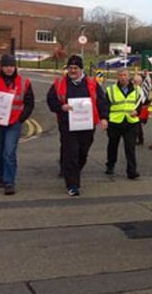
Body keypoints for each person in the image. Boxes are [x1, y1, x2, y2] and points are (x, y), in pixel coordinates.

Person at [46, 55, 109, 197]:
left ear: (81, 69)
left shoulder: (92, 83)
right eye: (70, 68)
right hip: (67, 124)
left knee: (82, 153)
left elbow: (101, 101)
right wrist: (61, 107)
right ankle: (72, 185)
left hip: (87, 124)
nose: (72, 70)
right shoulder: (59, 83)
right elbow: (51, 100)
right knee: (71, 153)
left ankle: (72, 171)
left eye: (75, 68)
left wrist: (104, 118)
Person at [0, 54, 34, 195]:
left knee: (9, 152)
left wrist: (21, 119)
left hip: (14, 123)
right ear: (1, 67)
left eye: (11, 66)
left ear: (15, 67)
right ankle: (1, 176)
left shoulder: (24, 83)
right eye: (6, 66)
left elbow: (29, 103)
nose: (9, 69)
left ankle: (9, 182)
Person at [104, 68, 140, 179]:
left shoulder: (137, 89)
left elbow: (141, 103)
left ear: (129, 76)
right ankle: (110, 164)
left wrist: (137, 111)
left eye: (125, 75)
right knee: (112, 145)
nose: (123, 77)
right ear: (117, 77)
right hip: (115, 122)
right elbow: (106, 106)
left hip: (131, 122)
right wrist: (105, 119)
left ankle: (132, 171)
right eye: (120, 75)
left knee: (130, 147)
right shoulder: (111, 90)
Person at [132, 73, 148, 145]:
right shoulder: (135, 87)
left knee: (137, 125)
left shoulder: (142, 89)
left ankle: (137, 139)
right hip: (135, 108)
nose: (135, 82)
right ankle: (140, 139)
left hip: (140, 109)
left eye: (136, 81)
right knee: (137, 125)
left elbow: (145, 100)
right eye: (135, 81)